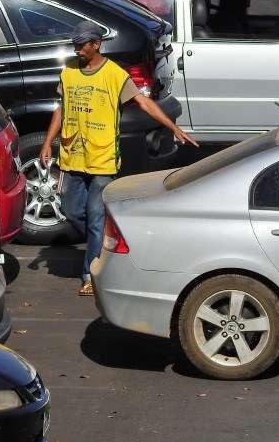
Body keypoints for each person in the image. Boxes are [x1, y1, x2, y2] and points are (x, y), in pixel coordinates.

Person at [39, 21, 199, 296]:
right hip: (72, 156)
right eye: (75, 46)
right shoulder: (69, 74)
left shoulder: (115, 75)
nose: (77, 51)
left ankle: (90, 273)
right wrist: (46, 143)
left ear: (96, 44)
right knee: (73, 211)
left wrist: (174, 128)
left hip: (103, 159)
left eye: (82, 46)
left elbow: (144, 102)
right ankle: (104, 243)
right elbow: (61, 109)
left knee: (97, 215)